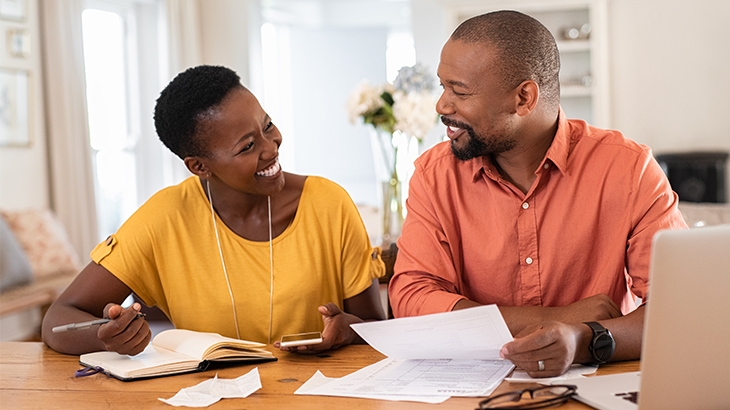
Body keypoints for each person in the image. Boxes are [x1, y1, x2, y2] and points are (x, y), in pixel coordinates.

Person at [388, 10, 687, 377]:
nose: (442, 106)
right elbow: (412, 298)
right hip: (467, 388)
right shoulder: (435, 176)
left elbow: (679, 309)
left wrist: (582, 339)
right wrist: (554, 319)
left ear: (524, 98)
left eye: (459, 92)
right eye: (443, 86)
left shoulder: (628, 169)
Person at [42, 65, 386, 356]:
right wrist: (108, 338)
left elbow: (374, 327)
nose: (272, 147)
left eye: (267, 126)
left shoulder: (329, 203)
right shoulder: (165, 218)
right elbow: (57, 320)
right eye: (248, 146)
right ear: (199, 166)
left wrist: (346, 331)